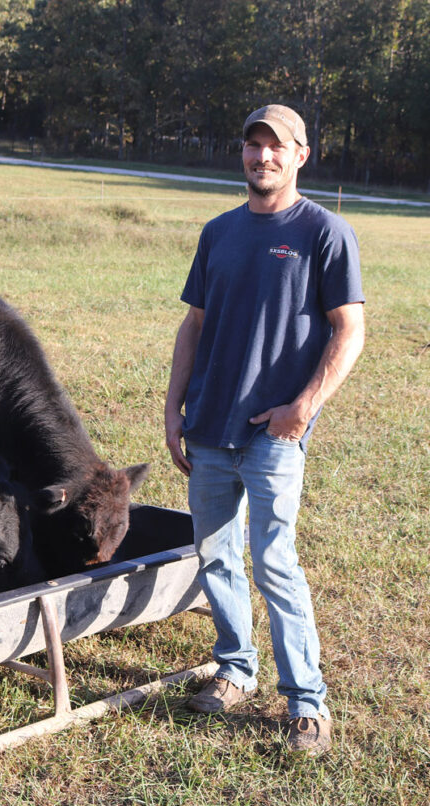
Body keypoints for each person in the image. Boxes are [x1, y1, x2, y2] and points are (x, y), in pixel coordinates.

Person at [164, 104, 365, 756]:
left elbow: (349, 329)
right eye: (253, 147)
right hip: (209, 429)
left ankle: (307, 704)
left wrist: (303, 407)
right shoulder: (218, 231)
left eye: (275, 148)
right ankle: (236, 670)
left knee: (275, 563)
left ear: (301, 154)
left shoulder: (325, 233)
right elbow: (193, 324)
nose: (262, 158)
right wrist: (173, 407)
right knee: (216, 557)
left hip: (274, 434)